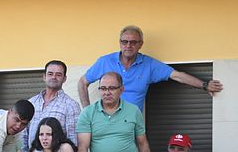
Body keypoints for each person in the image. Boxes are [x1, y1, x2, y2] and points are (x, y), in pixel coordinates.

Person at [78, 25, 223, 111]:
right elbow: (82, 82)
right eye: (125, 42)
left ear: (140, 44)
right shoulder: (105, 61)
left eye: (133, 42)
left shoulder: (149, 64)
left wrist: (204, 85)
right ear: (120, 43)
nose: (128, 46)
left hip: (131, 126)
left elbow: (177, 75)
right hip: (105, 123)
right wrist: (87, 111)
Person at [22, 60, 82, 152]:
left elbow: (73, 141)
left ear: (64, 79)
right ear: (44, 77)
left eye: (58, 75)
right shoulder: (31, 103)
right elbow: (24, 136)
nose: (54, 77)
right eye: (50, 74)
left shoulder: (71, 105)